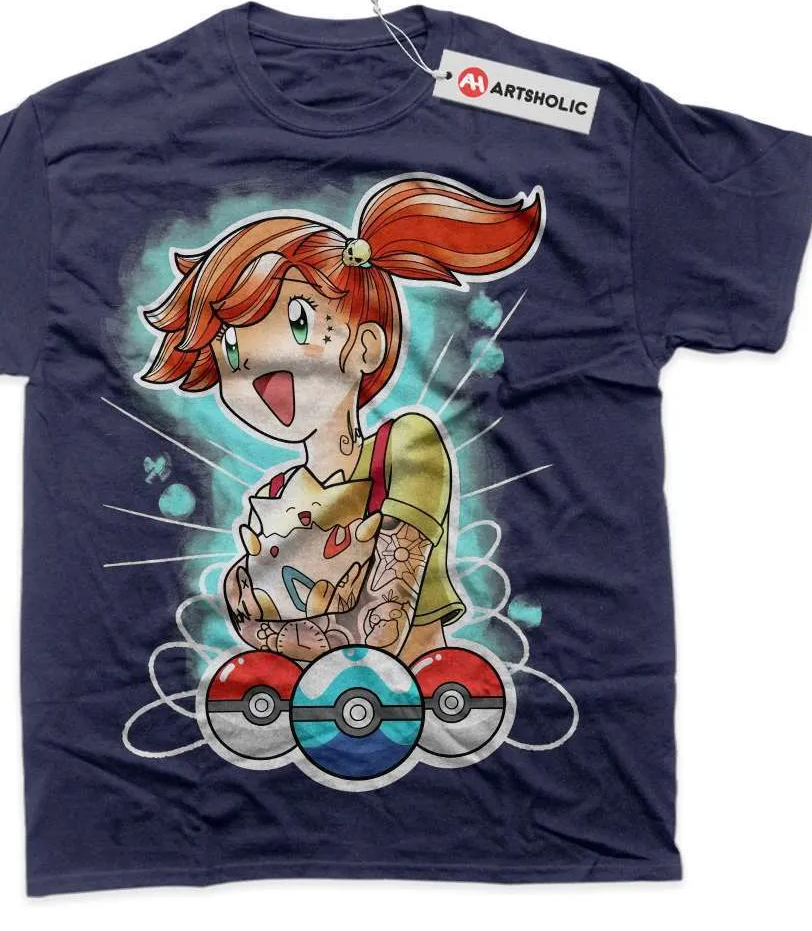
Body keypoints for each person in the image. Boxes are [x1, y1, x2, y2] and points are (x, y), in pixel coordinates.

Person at [138, 174, 544, 664]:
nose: (258, 366)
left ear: (367, 346)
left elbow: (386, 615)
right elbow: (250, 612)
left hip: (409, 685)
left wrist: (288, 629)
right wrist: (250, 599)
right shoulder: (276, 496)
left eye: (298, 324)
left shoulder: (407, 445)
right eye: (231, 349)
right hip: (302, 691)